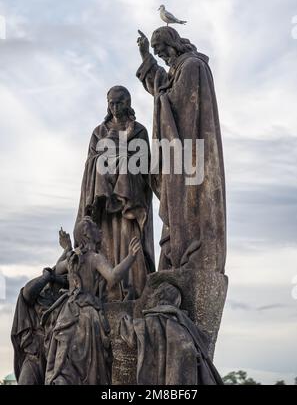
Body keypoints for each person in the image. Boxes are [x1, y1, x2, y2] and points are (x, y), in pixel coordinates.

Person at [136, 27, 226, 271]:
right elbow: (163, 86)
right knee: (178, 205)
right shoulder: (178, 68)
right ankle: (175, 252)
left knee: (189, 204)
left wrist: (161, 98)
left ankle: (187, 253)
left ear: (173, 43)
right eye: (157, 52)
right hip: (182, 155)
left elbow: (178, 104)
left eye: (162, 49)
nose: (161, 55)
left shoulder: (192, 66)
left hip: (191, 153)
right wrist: (146, 56)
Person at [76, 85, 154, 300]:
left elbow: (145, 166)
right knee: (103, 242)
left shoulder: (139, 130)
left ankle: (136, 290)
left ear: (128, 103)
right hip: (104, 205)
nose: (114, 107)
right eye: (111, 102)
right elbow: (91, 162)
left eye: (119, 102)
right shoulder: (98, 132)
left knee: (131, 242)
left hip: (129, 203)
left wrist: (123, 148)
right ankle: (105, 290)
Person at [45, 216, 142, 385]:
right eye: (96, 228)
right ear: (87, 235)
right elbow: (112, 277)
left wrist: (66, 249)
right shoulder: (95, 258)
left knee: (64, 362)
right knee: (89, 366)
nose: (101, 230)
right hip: (87, 315)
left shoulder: (71, 258)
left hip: (68, 313)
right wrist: (131, 257)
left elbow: (56, 269)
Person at [120, 282, 223, 385]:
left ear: (158, 296)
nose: (149, 299)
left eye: (153, 295)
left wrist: (124, 318)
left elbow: (132, 337)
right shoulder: (185, 327)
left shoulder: (151, 321)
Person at [11, 228, 71, 385]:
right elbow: (27, 293)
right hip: (35, 355)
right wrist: (48, 275)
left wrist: (67, 250)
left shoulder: (65, 298)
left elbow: (62, 267)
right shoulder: (40, 293)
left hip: (55, 354)